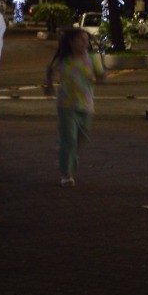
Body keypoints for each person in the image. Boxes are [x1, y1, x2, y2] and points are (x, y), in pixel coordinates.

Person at [43, 27, 107, 187]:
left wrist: (97, 77)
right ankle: (67, 174)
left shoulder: (93, 59)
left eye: (87, 40)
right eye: (81, 40)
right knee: (69, 139)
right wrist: (49, 86)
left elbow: (103, 78)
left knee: (80, 139)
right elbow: (50, 70)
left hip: (86, 105)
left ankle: (68, 156)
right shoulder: (64, 59)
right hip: (66, 105)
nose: (85, 43)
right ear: (71, 42)